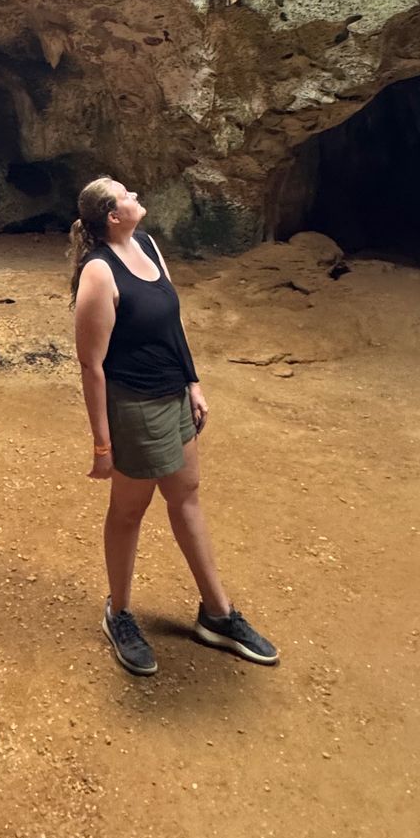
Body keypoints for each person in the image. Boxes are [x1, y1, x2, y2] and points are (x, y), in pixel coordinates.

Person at [70, 176, 278, 676]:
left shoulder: (146, 244)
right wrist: (103, 444)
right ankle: (118, 613)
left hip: (173, 396)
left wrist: (193, 382)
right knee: (128, 511)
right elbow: (91, 365)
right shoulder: (99, 273)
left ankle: (217, 614)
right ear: (112, 217)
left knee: (186, 496)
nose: (138, 196)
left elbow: (172, 322)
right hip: (135, 407)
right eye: (127, 196)